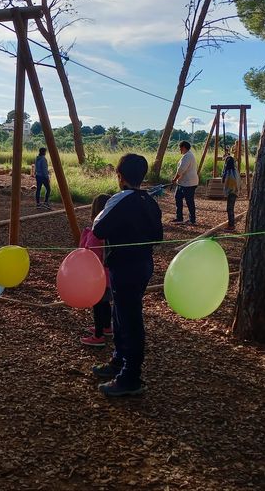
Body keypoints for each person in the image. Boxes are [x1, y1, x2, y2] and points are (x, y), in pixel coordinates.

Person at [91, 153, 163, 398]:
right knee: (120, 314)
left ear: (120, 176)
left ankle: (131, 376)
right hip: (143, 265)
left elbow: (99, 229)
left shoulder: (119, 200)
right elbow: (158, 235)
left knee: (130, 319)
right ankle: (118, 360)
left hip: (127, 268)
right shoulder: (150, 202)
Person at [79, 194, 113, 347]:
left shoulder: (96, 232)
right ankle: (107, 327)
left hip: (99, 277)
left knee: (98, 305)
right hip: (110, 275)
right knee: (105, 303)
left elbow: (89, 252)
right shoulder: (113, 229)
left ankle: (98, 335)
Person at [171, 140, 198, 224]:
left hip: (188, 183)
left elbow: (181, 170)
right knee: (178, 197)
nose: (180, 150)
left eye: (180, 148)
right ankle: (179, 217)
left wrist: (175, 179)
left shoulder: (187, 156)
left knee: (189, 201)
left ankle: (192, 220)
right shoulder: (188, 155)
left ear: (183, 147)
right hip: (183, 182)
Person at [221, 155, 240, 230]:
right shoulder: (235, 170)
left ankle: (231, 225)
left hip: (231, 192)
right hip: (235, 191)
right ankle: (231, 224)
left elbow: (224, 180)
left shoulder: (228, 172)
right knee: (230, 208)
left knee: (230, 209)